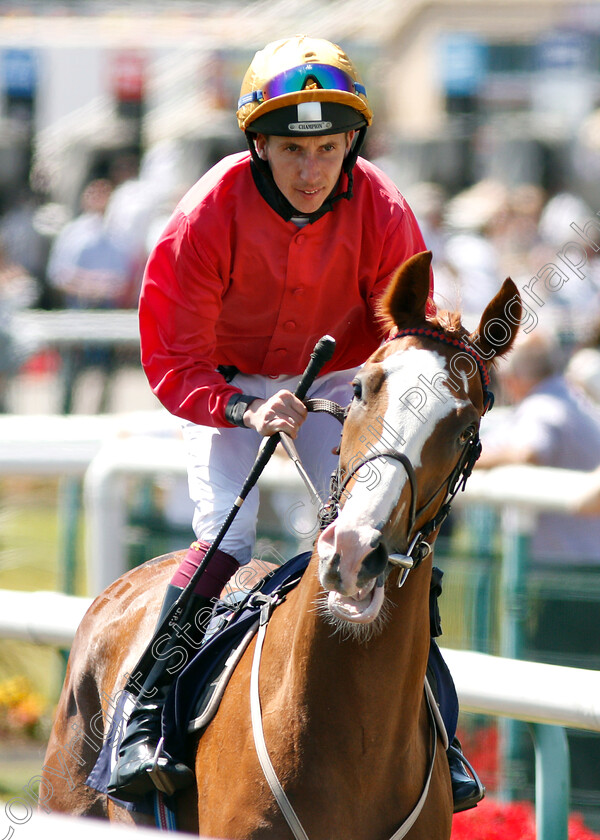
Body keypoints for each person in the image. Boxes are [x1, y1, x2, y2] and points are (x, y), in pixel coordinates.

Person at [108, 35, 482, 811]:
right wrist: (243, 407)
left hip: (338, 376)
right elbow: (173, 357)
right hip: (225, 379)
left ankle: (440, 737)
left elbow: (403, 336)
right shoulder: (202, 216)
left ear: (351, 143)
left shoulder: (382, 207)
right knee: (225, 541)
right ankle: (145, 716)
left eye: (327, 149)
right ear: (258, 146)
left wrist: (380, 410)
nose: (311, 171)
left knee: (380, 529)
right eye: (289, 150)